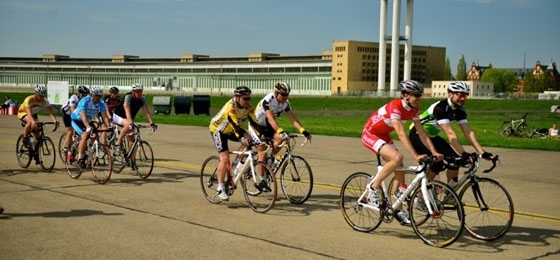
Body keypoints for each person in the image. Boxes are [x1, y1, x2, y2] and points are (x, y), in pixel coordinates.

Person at [362, 80, 442, 225]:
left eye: (420, 95)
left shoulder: (414, 110)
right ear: (405, 95)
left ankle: (397, 208)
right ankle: (373, 187)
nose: (419, 98)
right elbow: (401, 134)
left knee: (400, 167)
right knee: (397, 157)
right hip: (370, 133)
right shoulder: (395, 106)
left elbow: (422, 133)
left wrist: (434, 151)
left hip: (384, 136)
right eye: (416, 95)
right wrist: (416, 155)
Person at [408, 81, 494, 188]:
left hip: (432, 137)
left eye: (465, 95)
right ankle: (422, 194)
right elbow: (449, 133)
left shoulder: (459, 111)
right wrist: (464, 154)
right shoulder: (440, 108)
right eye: (460, 95)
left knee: (454, 162)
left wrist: (482, 152)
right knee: (438, 163)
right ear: (450, 94)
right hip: (417, 134)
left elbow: (468, 132)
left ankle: (449, 195)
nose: (463, 98)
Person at [209, 86, 263, 201]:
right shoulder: (231, 107)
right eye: (245, 98)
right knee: (224, 157)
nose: (248, 101)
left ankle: (235, 165)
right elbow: (235, 126)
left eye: (249, 98)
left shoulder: (249, 107)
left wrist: (263, 137)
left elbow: (255, 124)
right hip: (219, 131)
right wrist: (241, 139)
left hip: (231, 130)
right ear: (237, 98)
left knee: (249, 139)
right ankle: (220, 187)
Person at [247, 82, 311, 176]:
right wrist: (281, 131)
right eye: (284, 95)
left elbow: (293, 119)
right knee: (262, 150)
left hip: (268, 126)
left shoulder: (285, 103)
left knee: (282, 139)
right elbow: (270, 118)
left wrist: (303, 131)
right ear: (276, 93)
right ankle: (261, 180)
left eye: (287, 95)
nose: (286, 97)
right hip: (256, 126)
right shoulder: (268, 100)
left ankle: (270, 157)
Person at [17, 85, 59, 164]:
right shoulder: (29, 99)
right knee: (30, 122)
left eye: (43, 96)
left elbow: (50, 111)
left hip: (34, 114)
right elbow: (29, 113)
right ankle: (25, 138)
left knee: (38, 137)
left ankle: (36, 155)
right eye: (40, 95)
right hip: (23, 113)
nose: (42, 97)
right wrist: (33, 121)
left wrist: (55, 120)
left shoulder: (45, 101)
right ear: (36, 94)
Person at [70, 86, 110, 168]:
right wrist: (88, 127)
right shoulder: (84, 101)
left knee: (94, 136)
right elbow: (83, 115)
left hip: (88, 121)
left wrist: (109, 126)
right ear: (92, 95)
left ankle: (88, 152)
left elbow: (104, 116)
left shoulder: (101, 102)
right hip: (77, 120)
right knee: (85, 134)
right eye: (96, 95)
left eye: (100, 96)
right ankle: (80, 157)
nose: (98, 98)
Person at [112, 83, 157, 154]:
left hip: (128, 118)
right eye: (137, 91)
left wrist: (151, 123)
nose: (139, 93)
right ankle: (118, 143)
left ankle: (130, 158)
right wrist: (130, 122)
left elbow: (146, 111)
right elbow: (127, 110)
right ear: (133, 91)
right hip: (118, 116)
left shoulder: (142, 99)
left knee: (132, 139)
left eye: (141, 91)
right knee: (127, 125)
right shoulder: (128, 97)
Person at [60, 85, 90, 157]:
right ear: (79, 93)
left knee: (80, 133)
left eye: (86, 94)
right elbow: (72, 110)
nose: (85, 96)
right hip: (67, 114)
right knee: (70, 131)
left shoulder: (85, 100)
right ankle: (67, 148)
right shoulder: (74, 97)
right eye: (83, 94)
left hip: (77, 115)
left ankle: (78, 148)